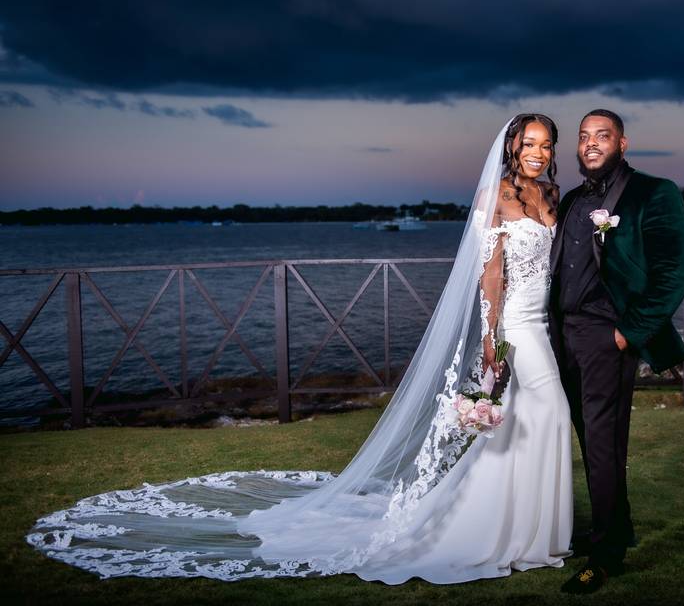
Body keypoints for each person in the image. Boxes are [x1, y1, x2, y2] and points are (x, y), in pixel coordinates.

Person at [25, 114, 575, 586]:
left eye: (546, 144)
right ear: (511, 147)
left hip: (543, 321)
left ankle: (521, 526)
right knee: (550, 410)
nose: (538, 152)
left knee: (531, 418)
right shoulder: (493, 196)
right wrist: (489, 336)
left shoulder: (549, 196)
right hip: (515, 327)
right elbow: (489, 272)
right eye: (528, 143)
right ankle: (510, 531)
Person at [549, 109, 684, 594]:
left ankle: (605, 555)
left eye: (602, 136)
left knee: (604, 445)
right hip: (560, 337)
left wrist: (628, 332)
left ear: (623, 143)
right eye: (584, 136)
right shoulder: (570, 200)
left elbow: (675, 273)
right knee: (589, 442)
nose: (590, 143)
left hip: (607, 336)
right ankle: (617, 529)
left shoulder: (655, 192)